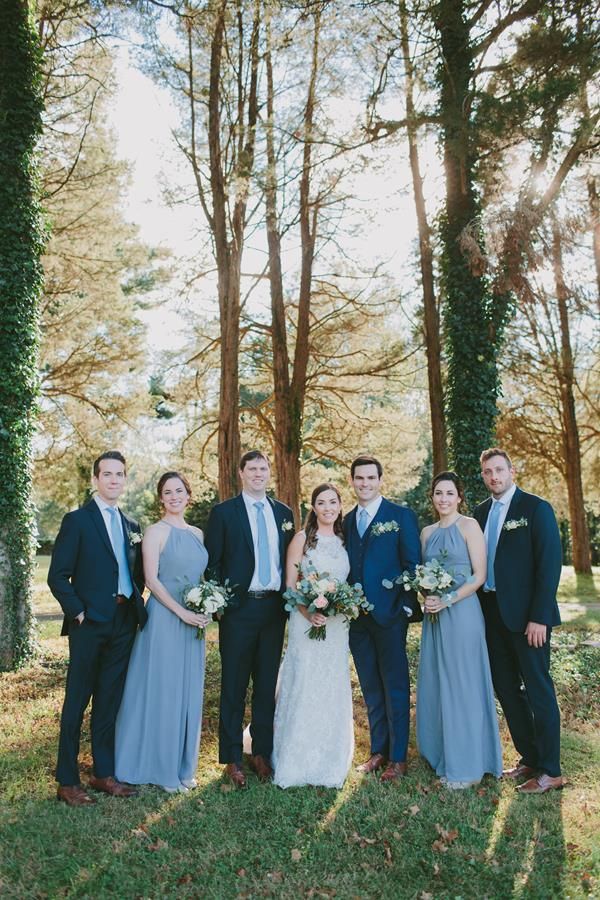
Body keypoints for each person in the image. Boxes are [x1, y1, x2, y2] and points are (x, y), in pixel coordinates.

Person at [48, 451, 146, 807]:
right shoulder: (77, 521)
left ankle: (103, 774)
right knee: (77, 700)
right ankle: (67, 780)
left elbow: (137, 576)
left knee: (109, 701)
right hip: (88, 623)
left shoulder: (132, 525)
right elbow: (57, 576)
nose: (114, 480)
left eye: (120, 474)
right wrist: (77, 613)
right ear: (95, 479)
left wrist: (134, 605)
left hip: (123, 622)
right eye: (107, 474)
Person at [474, 448, 565, 794]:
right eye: (488, 472)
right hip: (492, 615)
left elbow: (549, 565)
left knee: (538, 689)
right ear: (483, 476)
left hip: (529, 620)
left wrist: (540, 616)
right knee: (507, 689)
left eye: (499, 470)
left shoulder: (535, 508)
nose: (494, 477)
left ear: (512, 471)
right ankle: (529, 756)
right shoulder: (480, 514)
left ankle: (552, 770)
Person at [115, 472, 209, 793]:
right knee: (165, 692)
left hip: (193, 624)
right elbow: (152, 581)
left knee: (187, 691)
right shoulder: (155, 532)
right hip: (165, 622)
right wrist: (182, 611)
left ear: (188, 495)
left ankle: (184, 768)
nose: (173, 496)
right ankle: (162, 769)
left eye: (179, 491)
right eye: (167, 492)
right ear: (161, 498)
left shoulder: (197, 533)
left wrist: (206, 606)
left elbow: (199, 579)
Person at [204, 450, 294, 788]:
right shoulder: (224, 513)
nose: (258, 473)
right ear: (241, 473)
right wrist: (220, 603)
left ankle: (260, 752)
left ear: (269, 473)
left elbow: (291, 561)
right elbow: (212, 563)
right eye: (252, 468)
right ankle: (231, 757)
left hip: (273, 609)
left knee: (266, 685)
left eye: (263, 468)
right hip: (238, 610)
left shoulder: (283, 513)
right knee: (234, 684)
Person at [416, 471, 502, 789]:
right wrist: (426, 596)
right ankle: (440, 752)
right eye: (438, 493)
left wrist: (449, 598)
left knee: (462, 684)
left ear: (459, 497)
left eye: (449, 493)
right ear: (433, 497)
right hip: (434, 616)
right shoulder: (426, 533)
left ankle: (467, 763)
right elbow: (421, 575)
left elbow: (479, 575)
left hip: (463, 613)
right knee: (437, 681)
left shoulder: (469, 526)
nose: (443, 499)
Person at [343, 455, 422, 782]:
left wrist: (405, 606)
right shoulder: (346, 520)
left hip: (390, 616)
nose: (364, 483)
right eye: (359, 478)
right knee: (371, 686)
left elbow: (412, 563)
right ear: (352, 481)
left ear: (380, 480)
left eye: (370, 478)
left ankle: (399, 758)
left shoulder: (401, 516)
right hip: (356, 619)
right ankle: (379, 750)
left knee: (395, 686)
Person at [272, 484, 354, 789]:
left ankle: (330, 758)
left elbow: (347, 584)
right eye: (322, 502)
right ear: (313, 507)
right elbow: (290, 586)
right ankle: (295, 758)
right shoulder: (302, 540)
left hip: (336, 626)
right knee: (305, 680)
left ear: (340, 505)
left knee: (331, 683)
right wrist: (309, 612)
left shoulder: (346, 541)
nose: (328, 508)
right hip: (305, 621)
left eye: (333, 502)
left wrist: (339, 606)